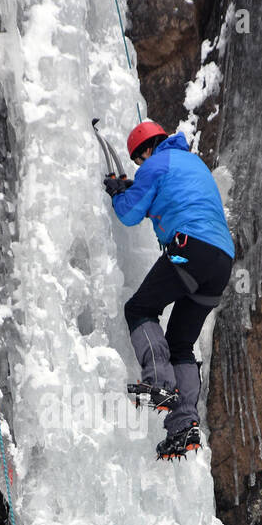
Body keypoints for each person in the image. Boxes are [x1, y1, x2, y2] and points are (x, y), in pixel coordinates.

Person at [103, 120, 235, 460]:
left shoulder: (157, 164)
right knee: (180, 345)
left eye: (139, 160)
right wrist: (137, 187)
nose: (140, 166)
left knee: (140, 309)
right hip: (221, 262)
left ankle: (159, 383)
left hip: (190, 247)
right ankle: (184, 426)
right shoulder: (191, 162)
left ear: (146, 149)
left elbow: (130, 213)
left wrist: (119, 191)